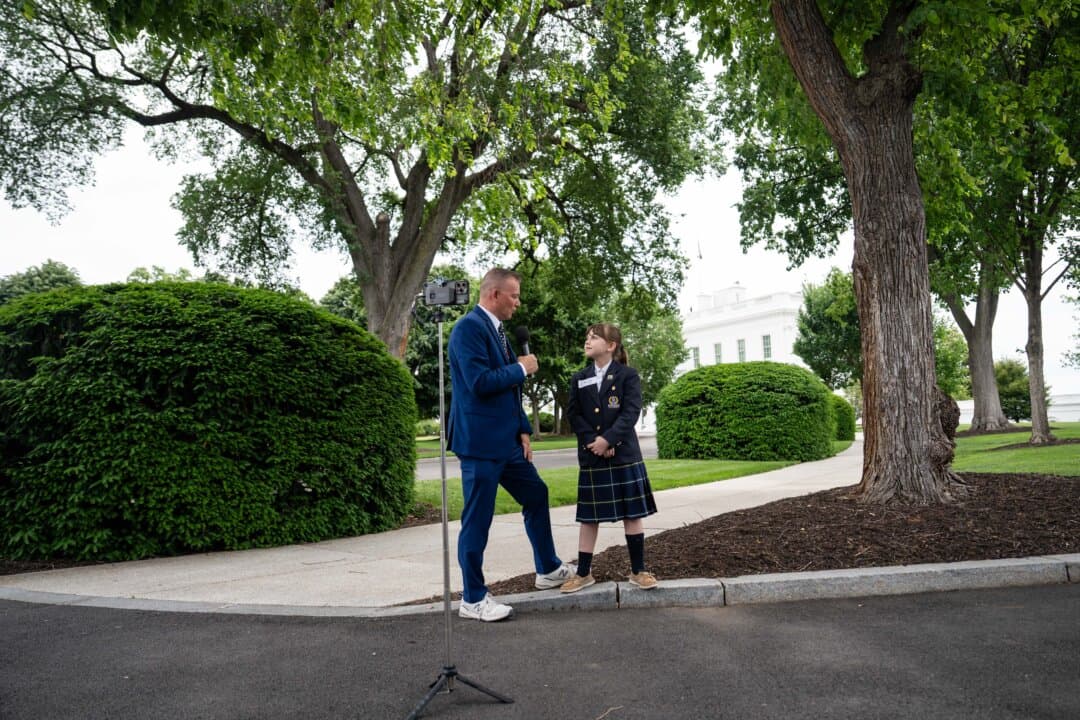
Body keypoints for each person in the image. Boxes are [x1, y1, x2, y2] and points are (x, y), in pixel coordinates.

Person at [446, 268, 574, 621]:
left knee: (537, 494)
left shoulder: (499, 332)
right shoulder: (468, 329)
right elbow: (479, 383)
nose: (518, 303)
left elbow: (509, 394)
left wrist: (523, 429)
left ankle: (547, 569)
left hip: (507, 442)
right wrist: (521, 368)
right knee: (478, 520)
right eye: (514, 295)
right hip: (479, 444)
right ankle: (473, 599)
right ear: (494, 295)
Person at [561, 323, 658, 594]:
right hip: (594, 456)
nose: (587, 341)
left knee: (632, 514)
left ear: (611, 345)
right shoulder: (579, 377)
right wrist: (596, 443)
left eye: (594, 337)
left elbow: (631, 412)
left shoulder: (627, 375)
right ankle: (583, 573)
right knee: (589, 518)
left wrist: (610, 439)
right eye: (586, 337)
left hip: (624, 454)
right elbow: (574, 414)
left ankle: (638, 571)